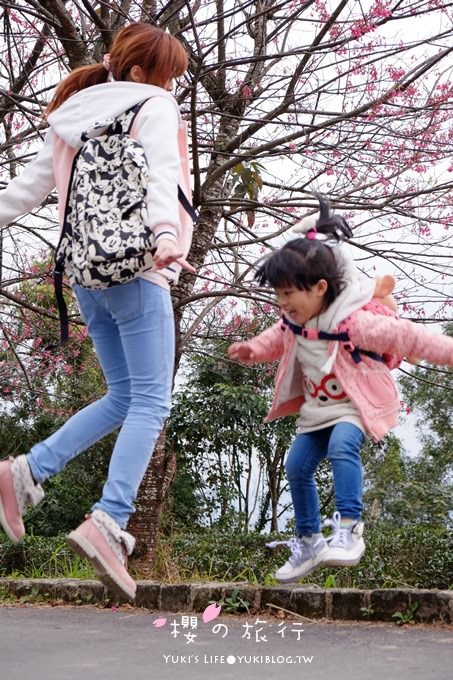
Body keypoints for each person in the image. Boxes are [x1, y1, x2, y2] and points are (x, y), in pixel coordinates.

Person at [0, 23, 195, 601]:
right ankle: (109, 521)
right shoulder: (152, 105)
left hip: (87, 275)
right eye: (168, 76)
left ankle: (24, 474)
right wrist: (164, 233)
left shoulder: (74, 116)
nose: (171, 86)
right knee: (152, 401)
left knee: (123, 397)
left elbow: (26, 190)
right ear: (140, 73)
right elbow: (161, 173)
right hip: (138, 269)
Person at [228, 211, 453, 584]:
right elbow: (276, 337)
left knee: (342, 446)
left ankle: (349, 528)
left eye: (288, 294)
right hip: (318, 410)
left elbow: (410, 337)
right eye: (278, 295)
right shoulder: (293, 321)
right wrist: (253, 349)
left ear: (318, 288)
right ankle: (309, 539)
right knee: (296, 466)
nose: (282, 303)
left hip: (353, 405)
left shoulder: (352, 322)